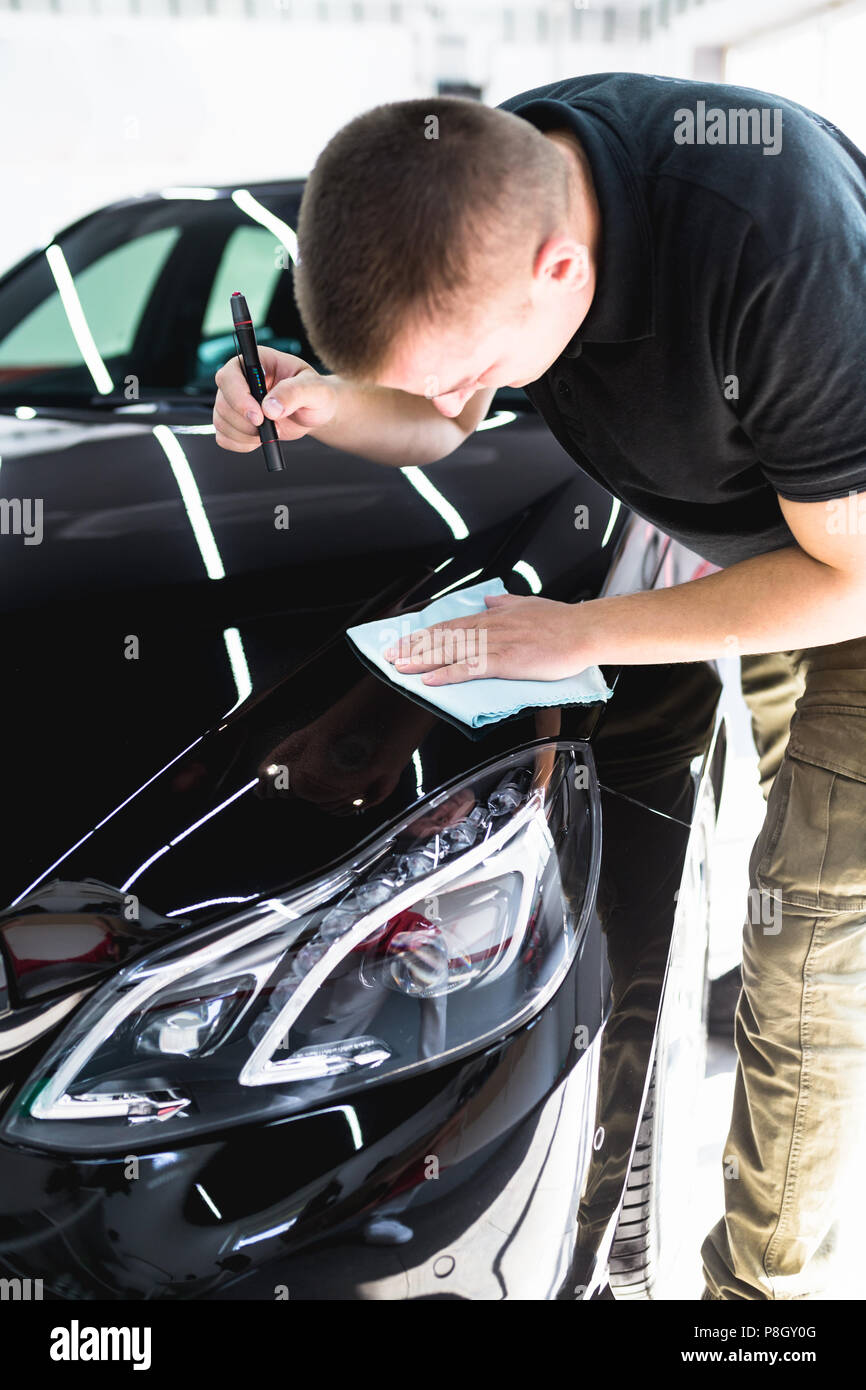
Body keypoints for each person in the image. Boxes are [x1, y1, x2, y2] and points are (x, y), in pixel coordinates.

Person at [213, 73, 866, 1299]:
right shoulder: (485, 180)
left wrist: (578, 631)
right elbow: (440, 419)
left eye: (476, 360)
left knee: (811, 937)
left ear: (563, 272)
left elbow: (849, 579)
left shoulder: (773, 234)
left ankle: (758, 1308)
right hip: (745, 532)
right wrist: (320, 400)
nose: (466, 386)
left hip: (849, 554)